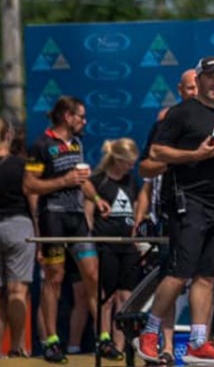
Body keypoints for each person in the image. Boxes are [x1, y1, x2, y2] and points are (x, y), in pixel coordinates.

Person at [139, 57, 214, 365]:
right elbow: (156, 152)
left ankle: (198, 341)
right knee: (179, 272)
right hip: (187, 201)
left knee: (208, 276)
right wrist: (193, 154)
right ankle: (149, 332)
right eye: (211, 77)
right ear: (198, 80)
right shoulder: (180, 113)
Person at [24, 95, 103, 363]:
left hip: (77, 217)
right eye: (81, 116)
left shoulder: (77, 143)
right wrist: (63, 181)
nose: (84, 121)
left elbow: (83, 181)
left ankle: (103, 337)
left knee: (92, 274)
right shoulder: (40, 145)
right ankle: (52, 342)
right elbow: (30, 185)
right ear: (67, 117)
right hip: (53, 217)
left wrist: (97, 199)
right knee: (54, 278)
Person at [90, 138, 143, 360]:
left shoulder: (131, 181)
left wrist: (137, 230)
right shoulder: (98, 181)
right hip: (106, 244)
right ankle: (105, 341)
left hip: (127, 245)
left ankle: (120, 347)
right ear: (117, 159)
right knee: (107, 297)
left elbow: (139, 202)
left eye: (133, 164)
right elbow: (88, 211)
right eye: (128, 163)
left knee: (126, 296)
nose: (131, 167)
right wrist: (92, 237)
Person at [0, 116, 33, 360]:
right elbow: (33, 198)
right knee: (17, 292)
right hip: (19, 226)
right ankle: (17, 346)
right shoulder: (22, 165)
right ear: (8, 136)